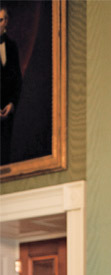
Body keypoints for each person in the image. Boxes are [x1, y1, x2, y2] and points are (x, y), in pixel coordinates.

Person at [0, 3, 22, 165]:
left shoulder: (12, 46)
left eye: (0, 20)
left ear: (6, 21)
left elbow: (17, 79)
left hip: (8, 109)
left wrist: (12, 103)